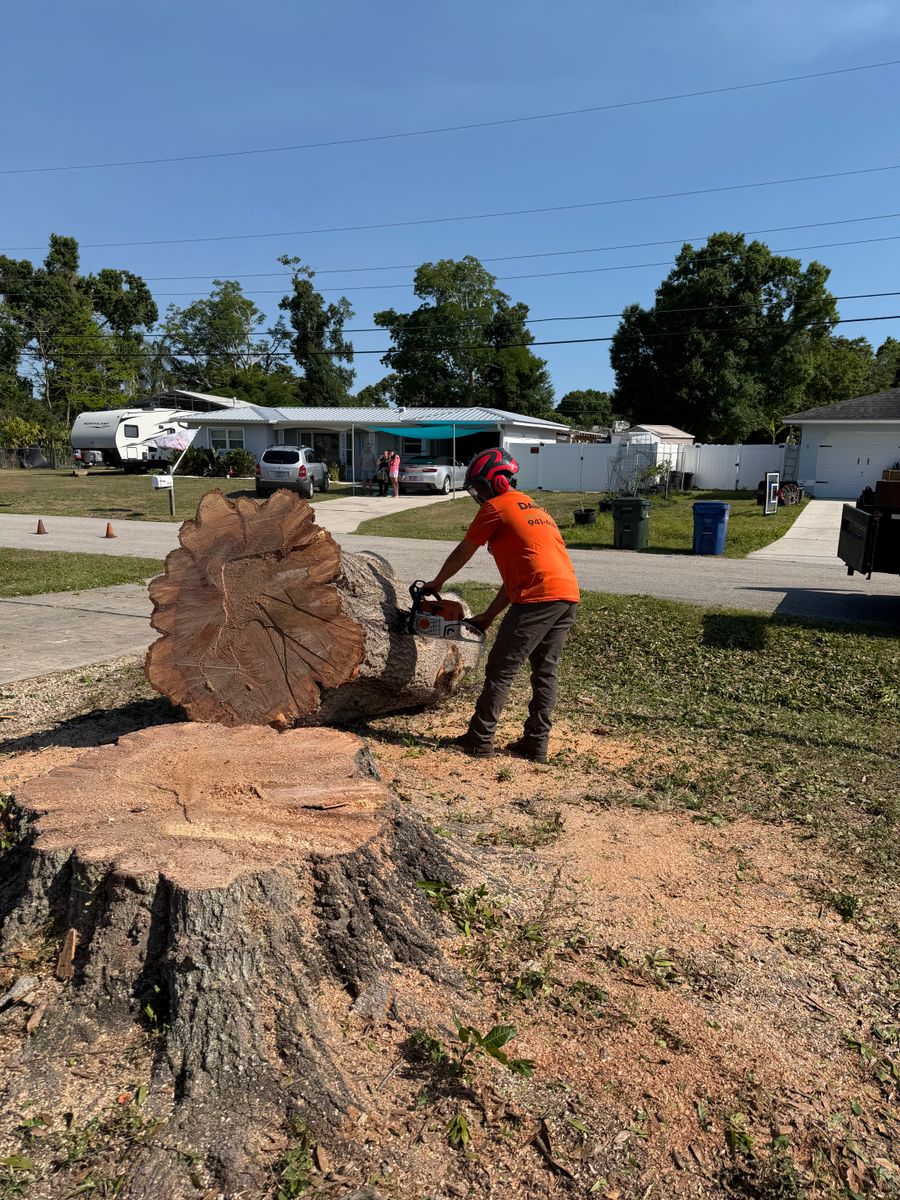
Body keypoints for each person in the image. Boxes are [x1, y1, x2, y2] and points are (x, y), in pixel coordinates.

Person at [421, 448, 579, 763]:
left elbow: (463, 551)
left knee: (501, 669)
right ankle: (536, 745)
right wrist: (488, 616)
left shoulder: (496, 507)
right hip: (567, 595)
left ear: (496, 481)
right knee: (545, 671)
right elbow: (518, 577)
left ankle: (479, 740)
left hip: (538, 600)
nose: (478, 495)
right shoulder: (533, 507)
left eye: (480, 487)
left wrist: (436, 583)